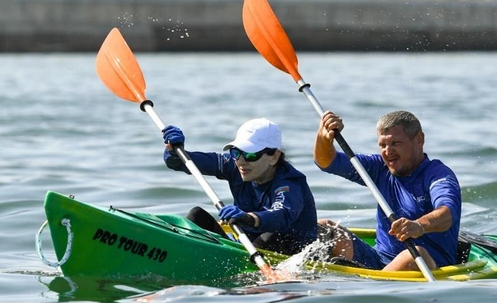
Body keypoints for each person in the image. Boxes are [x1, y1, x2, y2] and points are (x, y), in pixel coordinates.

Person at [314, 110, 461, 272]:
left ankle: (369, 289)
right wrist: (324, 138)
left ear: (420, 139)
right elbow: (326, 162)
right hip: (378, 259)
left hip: (427, 263)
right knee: (325, 229)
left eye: (396, 143)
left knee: (412, 255)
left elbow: (448, 214)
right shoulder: (379, 169)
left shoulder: (437, 175)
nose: (387, 151)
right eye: (382, 145)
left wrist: (419, 225)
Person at [161, 117, 318, 255]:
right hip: (246, 246)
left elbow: (282, 215)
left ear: (274, 157)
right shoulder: (234, 165)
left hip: (290, 251)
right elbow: (183, 163)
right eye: (236, 153)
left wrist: (248, 218)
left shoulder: (290, 182)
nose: (241, 161)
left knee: (272, 235)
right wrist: (174, 151)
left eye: (251, 155)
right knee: (196, 216)